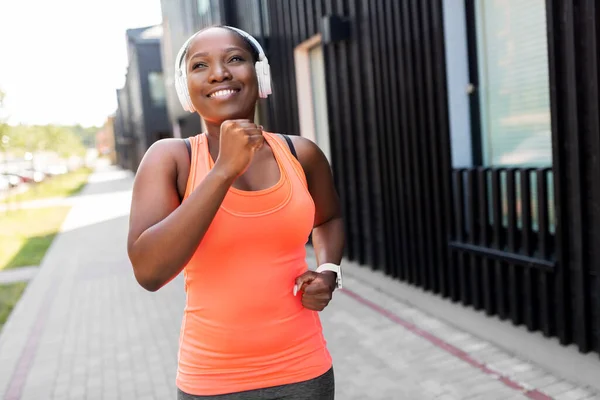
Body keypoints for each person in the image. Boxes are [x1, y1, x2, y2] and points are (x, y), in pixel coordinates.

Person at [127, 25, 345, 400]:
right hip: (212, 382)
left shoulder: (300, 154)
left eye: (234, 59)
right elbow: (149, 273)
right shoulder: (171, 159)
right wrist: (223, 169)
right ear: (186, 88)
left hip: (304, 372)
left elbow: (328, 219)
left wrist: (329, 271)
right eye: (200, 65)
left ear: (259, 75)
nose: (218, 73)